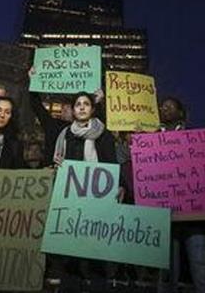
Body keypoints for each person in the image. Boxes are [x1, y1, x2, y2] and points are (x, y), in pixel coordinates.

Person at [51, 91, 118, 292]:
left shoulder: (103, 134)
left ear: (93, 109)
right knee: (70, 253)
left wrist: (117, 185)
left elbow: (111, 161)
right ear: (72, 110)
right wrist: (58, 164)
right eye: (78, 104)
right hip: (71, 197)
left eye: (86, 103)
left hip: (98, 197)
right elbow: (60, 162)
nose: (81, 107)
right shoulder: (66, 134)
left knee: (96, 251)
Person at [157, 97, 205, 293]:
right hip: (163, 217)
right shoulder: (149, 141)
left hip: (194, 218)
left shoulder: (195, 139)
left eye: (170, 106)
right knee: (165, 273)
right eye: (162, 106)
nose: (164, 108)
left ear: (181, 113)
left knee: (201, 269)